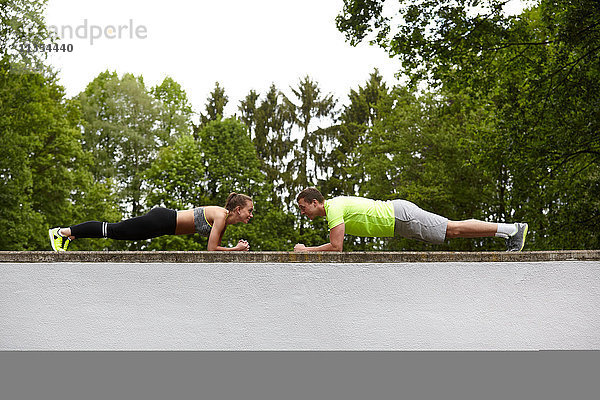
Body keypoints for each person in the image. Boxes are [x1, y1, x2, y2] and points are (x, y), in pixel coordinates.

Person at [293, 187, 528, 252]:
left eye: (304, 208)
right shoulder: (335, 208)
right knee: (452, 231)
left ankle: (513, 230)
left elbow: (336, 247)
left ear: (316, 202)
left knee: (452, 228)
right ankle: (508, 233)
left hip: (400, 216)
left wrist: (306, 250)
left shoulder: (333, 207)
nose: (303, 213)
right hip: (399, 220)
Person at [49, 192, 254, 252]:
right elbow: (212, 249)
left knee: (116, 232)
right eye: (249, 211)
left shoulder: (224, 221)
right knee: (113, 230)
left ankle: (72, 235)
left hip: (163, 226)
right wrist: (235, 250)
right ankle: (62, 232)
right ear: (238, 209)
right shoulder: (221, 216)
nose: (251, 215)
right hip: (162, 220)